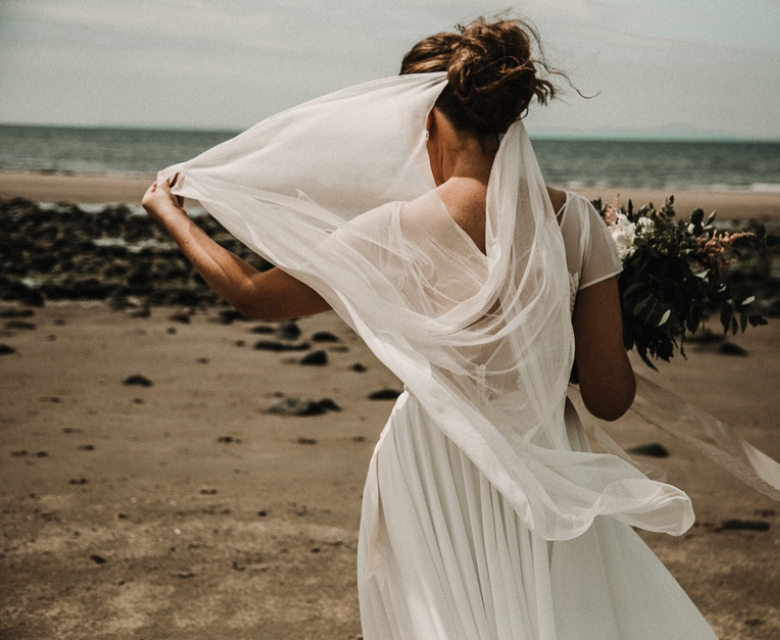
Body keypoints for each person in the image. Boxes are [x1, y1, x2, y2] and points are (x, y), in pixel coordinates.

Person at [143, 17, 720, 639]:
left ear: (425, 118)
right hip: (549, 457)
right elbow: (611, 400)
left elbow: (253, 296)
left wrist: (168, 210)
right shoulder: (577, 222)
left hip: (436, 463)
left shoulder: (399, 227)